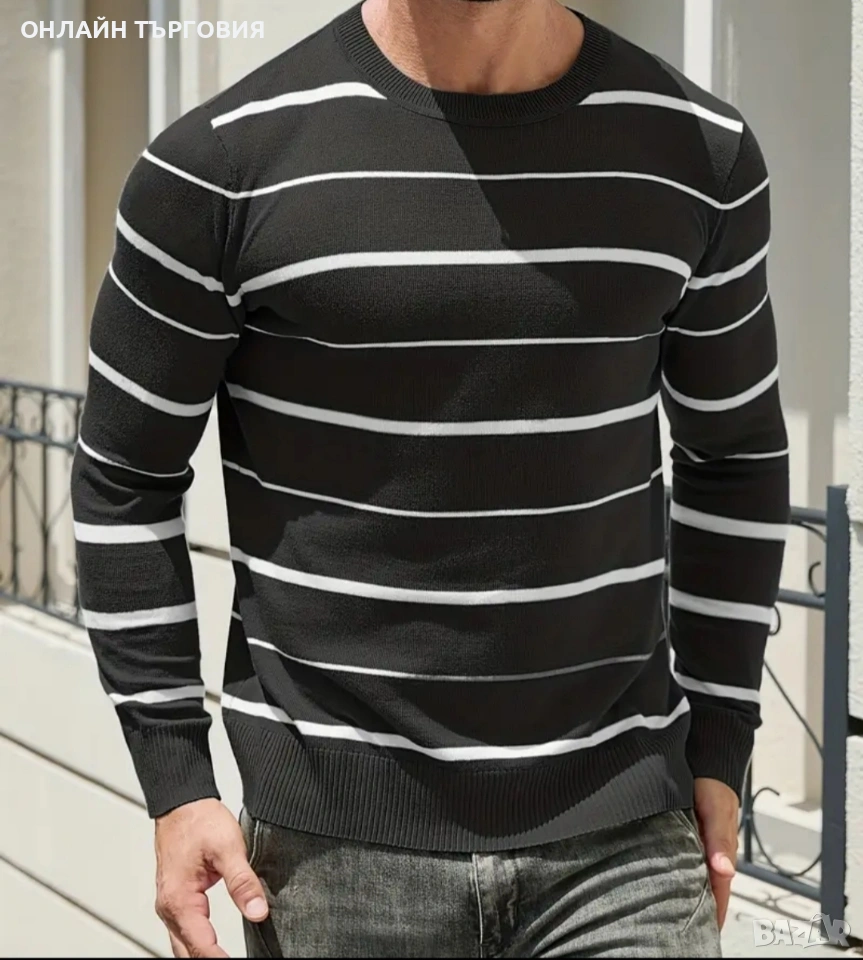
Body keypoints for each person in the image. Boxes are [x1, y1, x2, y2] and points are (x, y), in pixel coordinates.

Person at [70, 0, 790, 956]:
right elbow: (124, 475)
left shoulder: (697, 152)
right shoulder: (217, 166)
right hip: (336, 850)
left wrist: (721, 743)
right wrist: (176, 781)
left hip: (624, 836)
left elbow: (734, 457)